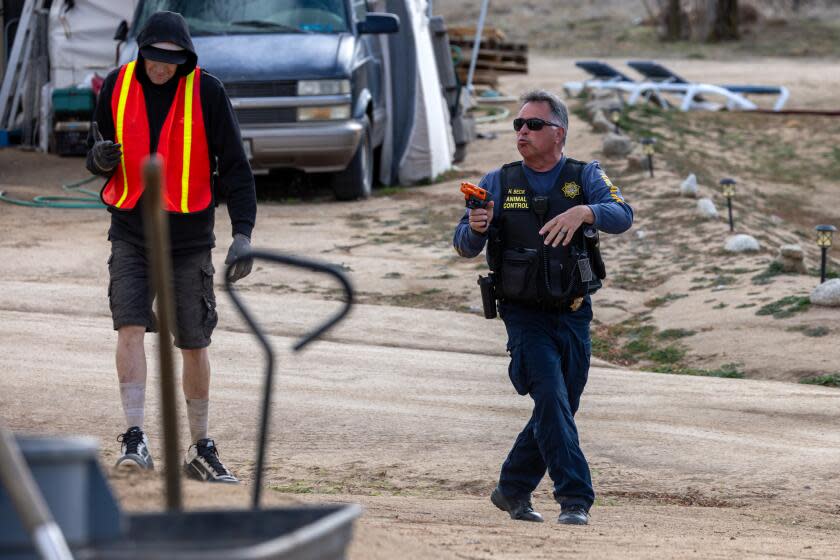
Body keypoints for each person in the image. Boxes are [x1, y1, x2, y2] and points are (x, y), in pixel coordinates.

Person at [86, 11, 256, 483]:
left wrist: (243, 234)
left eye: (172, 61)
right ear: (141, 53)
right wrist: (97, 158)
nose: (162, 68)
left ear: (185, 58)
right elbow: (96, 143)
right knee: (129, 328)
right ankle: (135, 437)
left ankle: (200, 447)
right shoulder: (117, 86)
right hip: (131, 231)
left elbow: (236, 168)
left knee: (194, 342)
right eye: (155, 59)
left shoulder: (207, 92)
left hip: (188, 238)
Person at [453, 90, 633, 524]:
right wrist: (477, 227)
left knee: (560, 405)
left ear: (559, 133)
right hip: (523, 314)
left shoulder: (584, 175)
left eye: (533, 125)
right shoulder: (497, 180)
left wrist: (585, 213)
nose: (523, 132)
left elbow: (622, 214)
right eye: (518, 124)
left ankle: (513, 488)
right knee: (551, 396)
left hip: (572, 311)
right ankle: (575, 499)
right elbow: (463, 245)